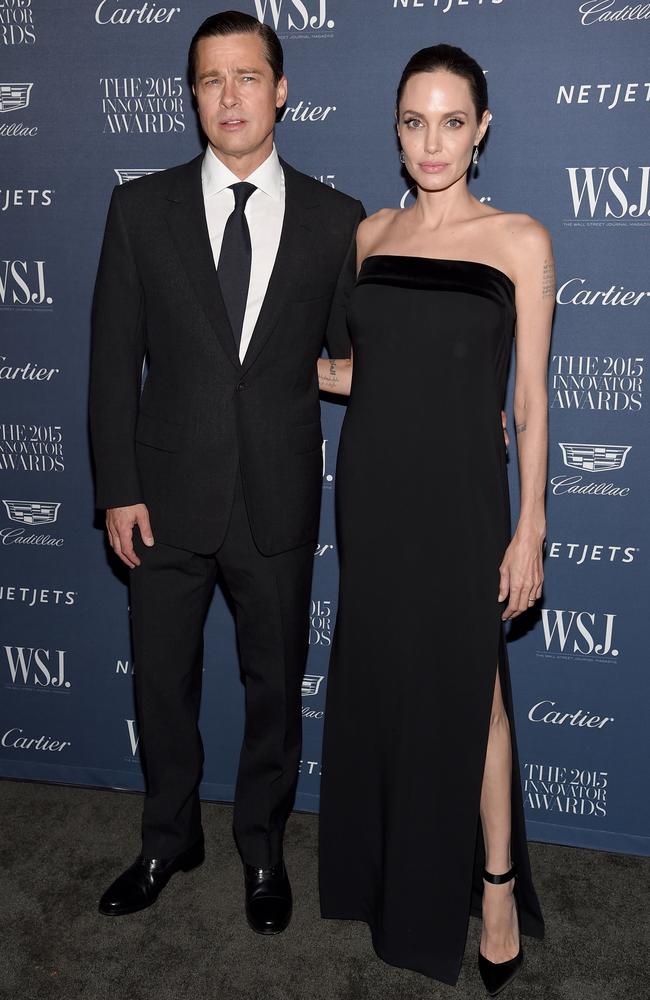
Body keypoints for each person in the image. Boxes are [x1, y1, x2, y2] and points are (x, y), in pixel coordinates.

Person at [89, 10, 363, 934]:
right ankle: (168, 838)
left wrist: (441, 395)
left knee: (272, 692)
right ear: (193, 95)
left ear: (281, 90)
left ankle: (260, 848)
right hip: (162, 498)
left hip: (278, 498)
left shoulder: (337, 219)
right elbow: (109, 360)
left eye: (248, 77)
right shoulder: (141, 208)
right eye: (211, 79)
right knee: (159, 682)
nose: (230, 96)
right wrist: (118, 488)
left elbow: (348, 361)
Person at [317, 44, 551, 993]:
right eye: (415, 122)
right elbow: (356, 371)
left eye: (453, 121)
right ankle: (391, 876)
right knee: (386, 686)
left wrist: (530, 522)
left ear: (483, 127)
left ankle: (494, 889)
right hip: (373, 496)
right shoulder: (369, 237)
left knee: (478, 695)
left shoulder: (519, 240)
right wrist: (241, 366)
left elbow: (528, 400)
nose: (433, 142)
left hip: (462, 502)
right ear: (397, 128)